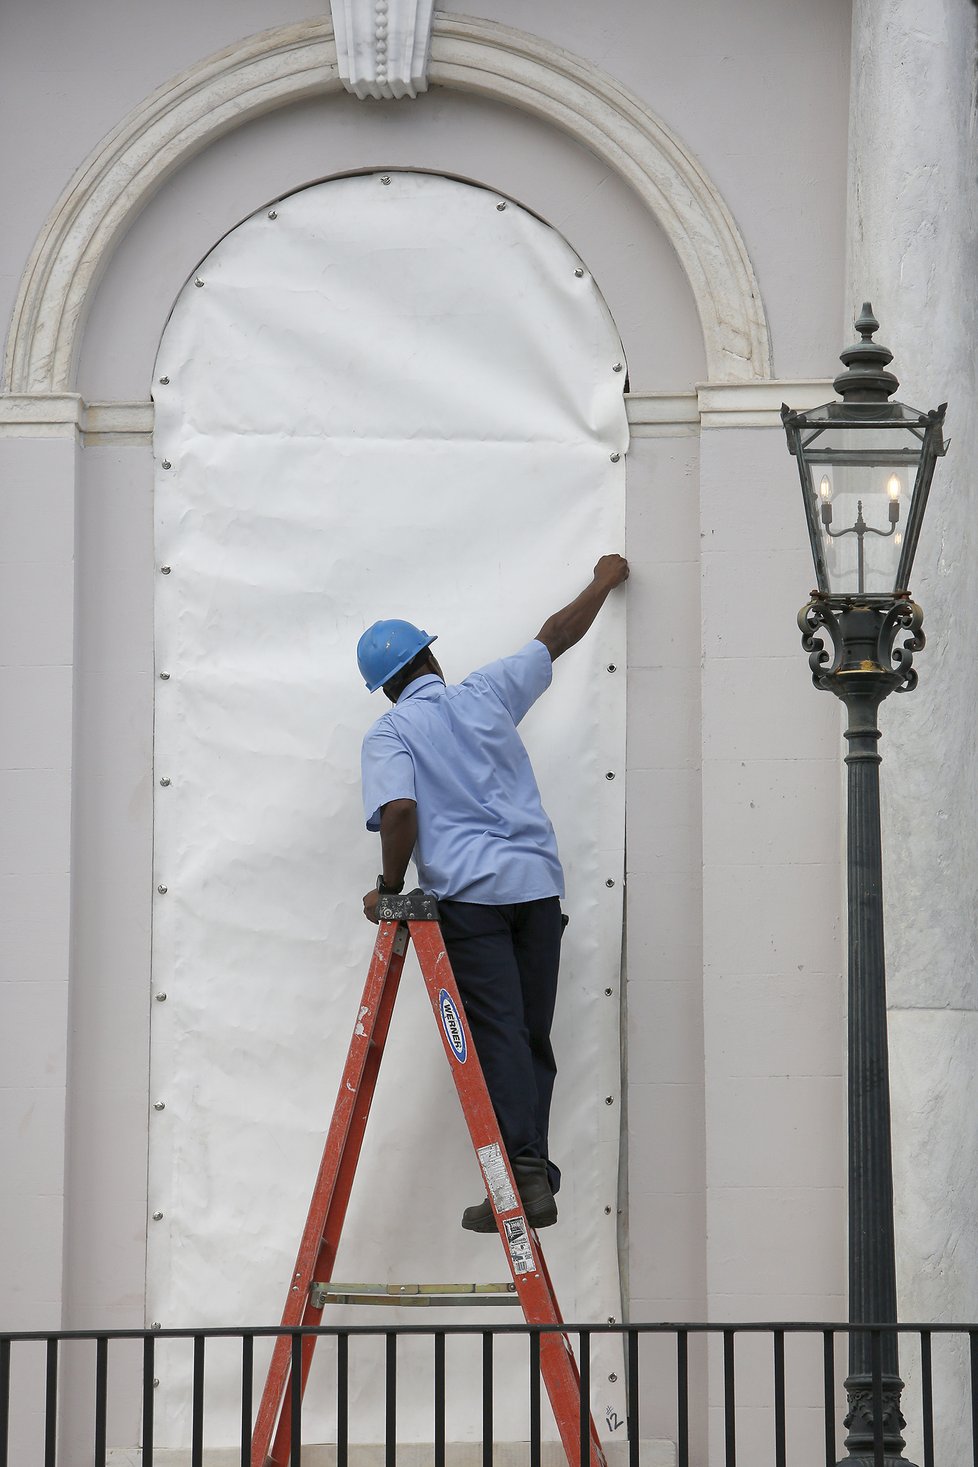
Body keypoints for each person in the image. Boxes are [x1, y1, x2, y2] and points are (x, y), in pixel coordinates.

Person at [357, 554, 629, 1231]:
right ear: (429, 660)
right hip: (537, 888)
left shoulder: (391, 731)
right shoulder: (484, 693)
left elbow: (399, 813)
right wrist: (603, 579)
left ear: (386, 686)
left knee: (498, 1035)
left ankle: (524, 1174)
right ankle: (529, 1174)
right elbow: (556, 636)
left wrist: (388, 888)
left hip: (472, 900)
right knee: (531, 1034)